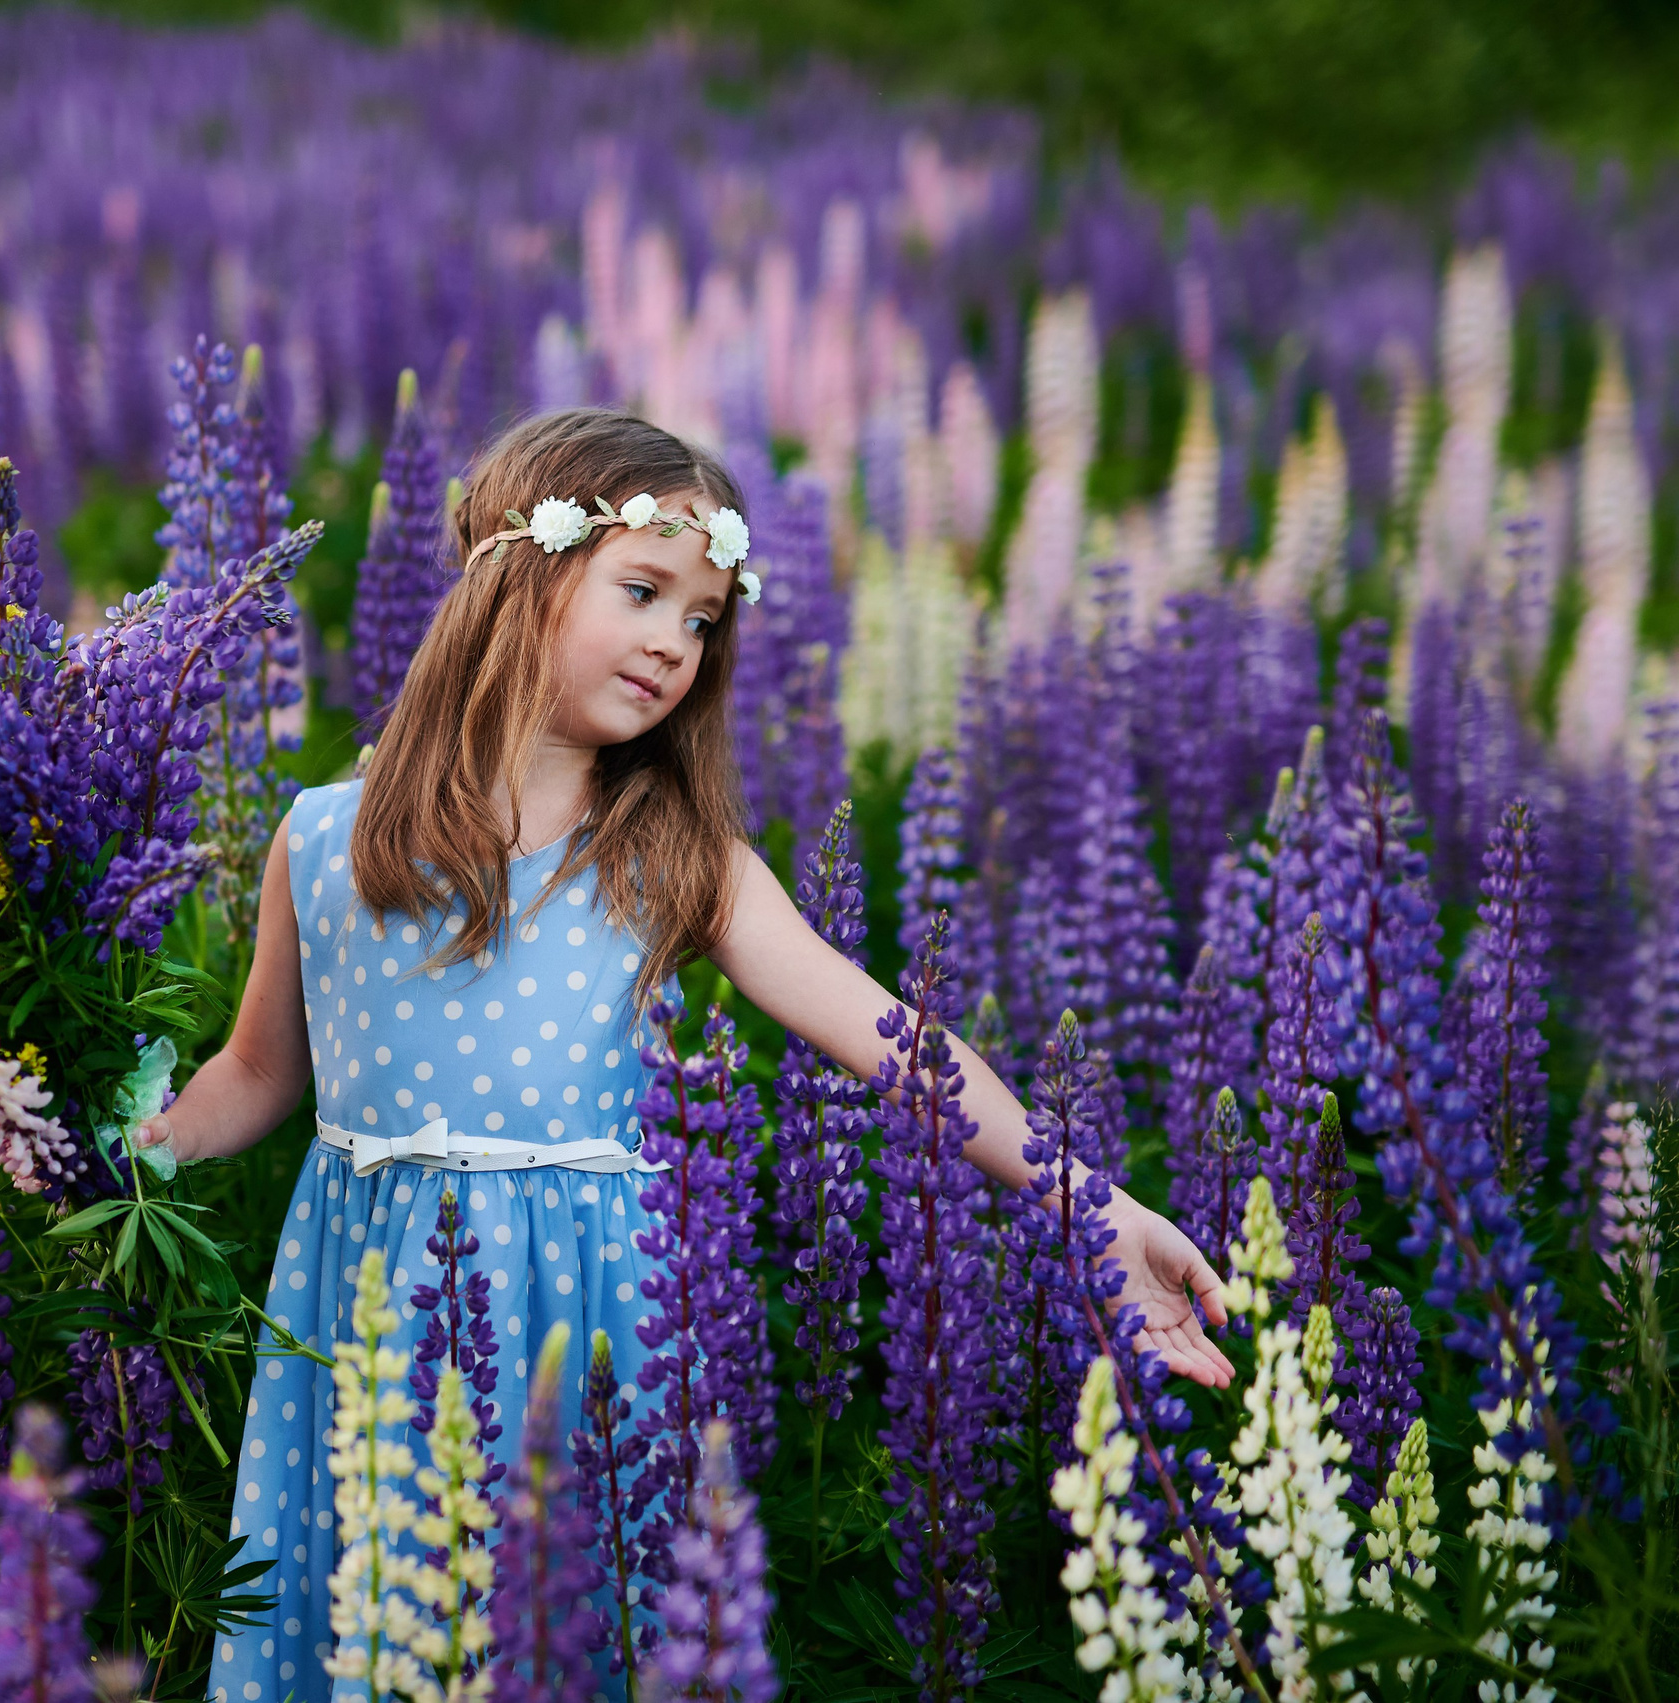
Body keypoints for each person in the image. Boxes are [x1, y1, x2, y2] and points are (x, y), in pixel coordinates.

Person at [133, 408, 1230, 1702]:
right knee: (378, 1629)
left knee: (577, 1638)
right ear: (514, 577)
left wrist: (1092, 1204)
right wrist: (111, 1142)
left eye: (704, 618)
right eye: (644, 591)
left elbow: (897, 1041)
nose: (674, 642)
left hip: (596, 1328)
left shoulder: (676, 860)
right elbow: (259, 1073)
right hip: (371, 1318)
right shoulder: (325, 838)